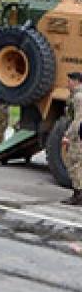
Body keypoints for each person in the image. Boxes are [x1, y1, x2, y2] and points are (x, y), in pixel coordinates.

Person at [59, 72, 82, 205]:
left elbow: (78, 120)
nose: (68, 84)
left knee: (74, 164)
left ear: (77, 81)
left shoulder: (79, 97)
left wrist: (68, 135)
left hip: (78, 136)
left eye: (70, 81)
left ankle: (77, 195)